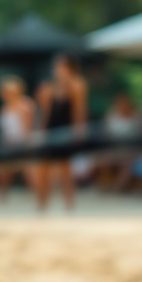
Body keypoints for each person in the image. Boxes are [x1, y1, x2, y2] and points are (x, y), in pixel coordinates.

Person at [34, 53, 88, 211]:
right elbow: (46, 112)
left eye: (61, 66)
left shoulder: (77, 85)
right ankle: (42, 205)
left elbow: (79, 111)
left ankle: (69, 205)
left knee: (65, 170)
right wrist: (41, 132)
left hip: (67, 131)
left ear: (70, 68)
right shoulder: (50, 87)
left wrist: (79, 132)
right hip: (51, 131)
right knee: (43, 169)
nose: (57, 69)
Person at [0, 75, 35, 202]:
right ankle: (2, 196)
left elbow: (28, 127)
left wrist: (25, 144)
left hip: (22, 143)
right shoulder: (4, 108)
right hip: (8, 143)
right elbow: (4, 130)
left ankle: (37, 197)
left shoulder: (25, 105)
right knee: (4, 170)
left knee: (28, 170)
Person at [102, 92, 142, 192]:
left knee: (127, 164)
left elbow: (141, 136)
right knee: (103, 161)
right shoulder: (111, 116)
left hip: (132, 150)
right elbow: (106, 135)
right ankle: (105, 186)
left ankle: (117, 188)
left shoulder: (137, 117)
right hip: (115, 148)